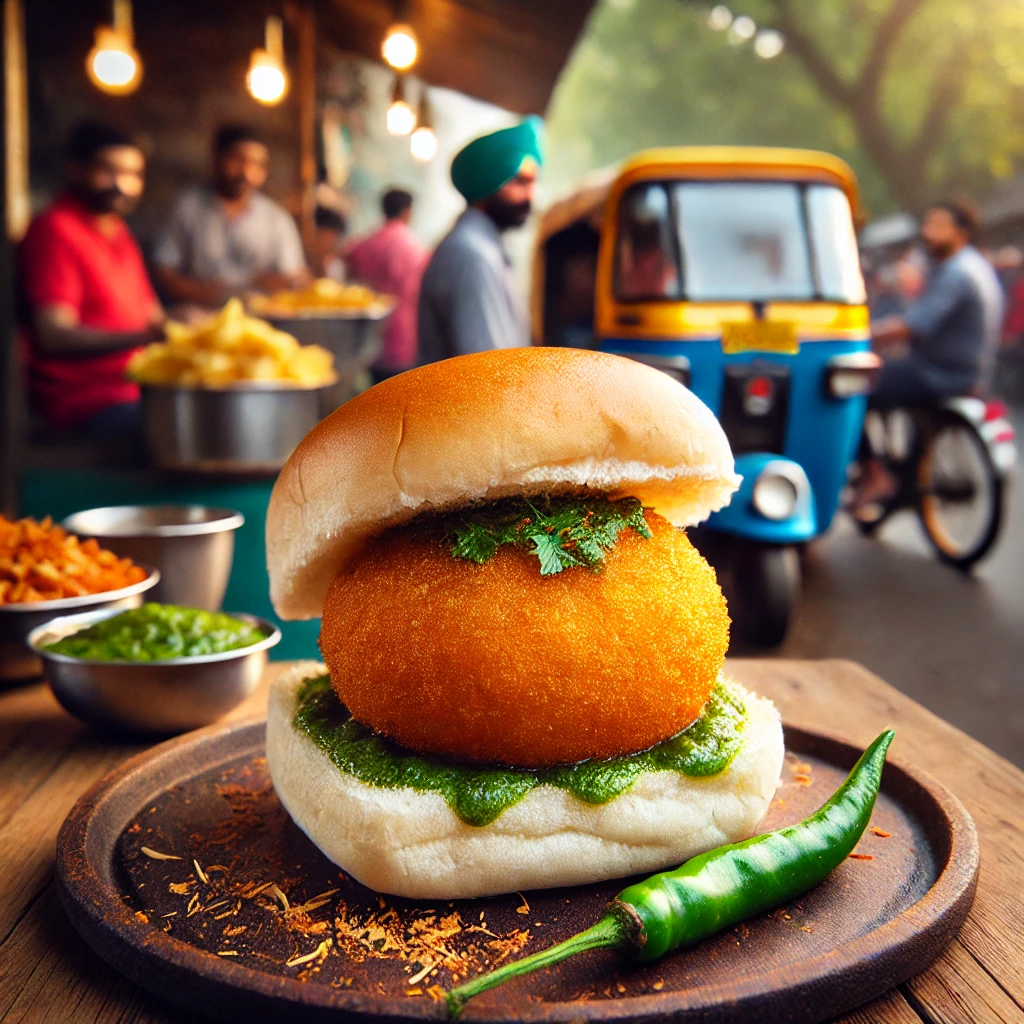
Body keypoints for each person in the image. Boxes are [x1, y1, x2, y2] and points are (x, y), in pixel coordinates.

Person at [852, 199, 1004, 512]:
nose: (928, 233)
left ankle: (874, 474)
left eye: (937, 227)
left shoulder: (958, 272)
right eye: (927, 225)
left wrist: (864, 336)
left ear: (960, 234)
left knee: (854, 389)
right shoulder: (967, 265)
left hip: (939, 372)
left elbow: (915, 325)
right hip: (961, 368)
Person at [19, 121, 163, 440]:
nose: (121, 185)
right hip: (85, 402)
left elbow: (154, 317)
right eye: (108, 171)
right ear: (76, 170)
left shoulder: (119, 233)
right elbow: (53, 335)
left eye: (133, 175)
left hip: (137, 389)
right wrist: (146, 336)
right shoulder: (54, 230)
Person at [418, 117, 544, 363]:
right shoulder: (472, 256)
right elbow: (488, 376)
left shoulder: (483, 248)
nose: (531, 195)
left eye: (533, 182)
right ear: (489, 184)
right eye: (520, 181)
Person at [153, 124, 308, 308]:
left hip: (262, 319)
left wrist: (280, 284)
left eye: (257, 164)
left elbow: (296, 276)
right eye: (238, 160)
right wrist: (206, 294)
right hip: (198, 318)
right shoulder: (187, 209)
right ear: (217, 159)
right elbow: (163, 271)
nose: (246, 172)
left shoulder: (276, 218)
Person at [345, 188, 428, 383]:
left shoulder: (364, 244)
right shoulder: (414, 248)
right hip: (403, 337)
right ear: (408, 212)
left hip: (369, 337)